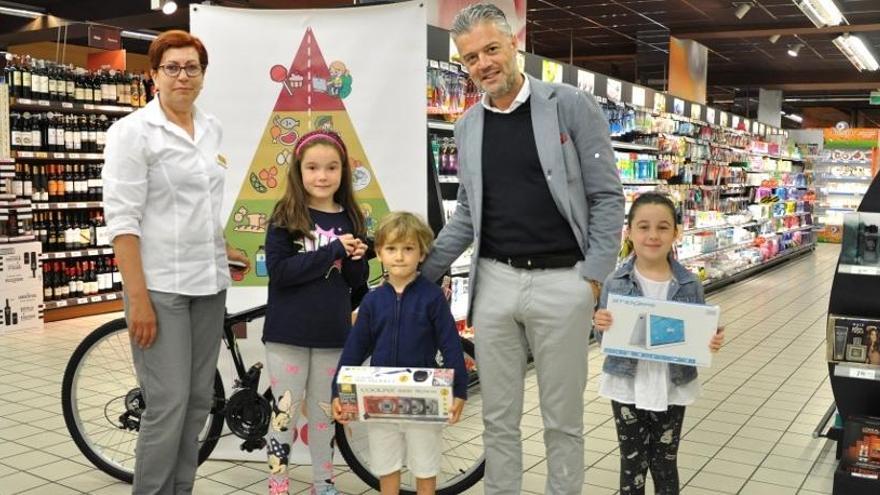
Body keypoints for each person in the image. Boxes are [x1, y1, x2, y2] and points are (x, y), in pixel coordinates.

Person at [419, 3, 625, 494]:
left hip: (564, 282)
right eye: (470, 58)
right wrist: (422, 273)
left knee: (563, 421)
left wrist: (594, 277)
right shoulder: (468, 125)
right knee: (498, 420)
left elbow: (606, 195)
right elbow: (467, 213)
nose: (483, 64)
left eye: (491, 49)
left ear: (515, 45)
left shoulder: (571, 105)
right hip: (495, 283)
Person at [102, 30, 250, 494]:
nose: (182, 76)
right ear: (153, 76)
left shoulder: (211, 128)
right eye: (172, 67)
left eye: (192, 67)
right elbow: (123, 222)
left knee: (199, 402)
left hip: (208, 282)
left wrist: (222, 247)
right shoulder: (132, 133)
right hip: (159, 287)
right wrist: (137, 300)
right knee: (166, 404)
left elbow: (200, 206)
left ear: (203, 76)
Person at [593, 192, 725, 495]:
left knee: (665, 463)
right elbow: (606, 340)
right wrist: (600, 326)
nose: (653, 235)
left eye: (663, 227)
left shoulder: (690, 283)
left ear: (676, 233)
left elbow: (699, 335)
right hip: (627, 383)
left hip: (672, 383)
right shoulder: (615, 282)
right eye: (643, 227)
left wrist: (711, 340)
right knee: (632, 465)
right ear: (629, 233)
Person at [262, 129, 370, 495]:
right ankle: (278, 484)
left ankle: (324, 483)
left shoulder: (352, 217)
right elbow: (280, 273)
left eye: (331, 168)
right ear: (299, 171)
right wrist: (332, 251)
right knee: (285, 413)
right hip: (287, 334)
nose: (321, 176)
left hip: (331, 335)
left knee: (325, 415)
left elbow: (355, 284)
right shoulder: (285, 214)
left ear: (343, 172)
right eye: (312, 167)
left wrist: (358, 259)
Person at [332, 212, 468, 495]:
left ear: (422, 254)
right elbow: (354, 349)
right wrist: (338, 391)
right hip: (379, 397)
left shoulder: (432, 297)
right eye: (391, 248)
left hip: (425, 397)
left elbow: (451, 344)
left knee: (425, 466)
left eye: (408, 248)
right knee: (386, 465)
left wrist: (460, 390)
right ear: (379, 253)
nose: (400, 256)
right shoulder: (372, 301)